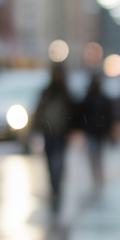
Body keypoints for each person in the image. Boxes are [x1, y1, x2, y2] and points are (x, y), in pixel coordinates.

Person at [32, 63, 77, 214]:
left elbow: (40, 111)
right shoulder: (60, 92)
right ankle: (55, 186)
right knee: (55, 160)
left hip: (55, 132)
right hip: (54, 132)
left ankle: (55, 186)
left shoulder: (55, 92)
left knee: (54, 160)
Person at [79, 70, 115, 189]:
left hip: (95, 131)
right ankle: (97, 172)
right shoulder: (99, 98)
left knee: (95, 152)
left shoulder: (91, 97)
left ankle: (96, 172)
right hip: (97, 130)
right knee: (96, 152)